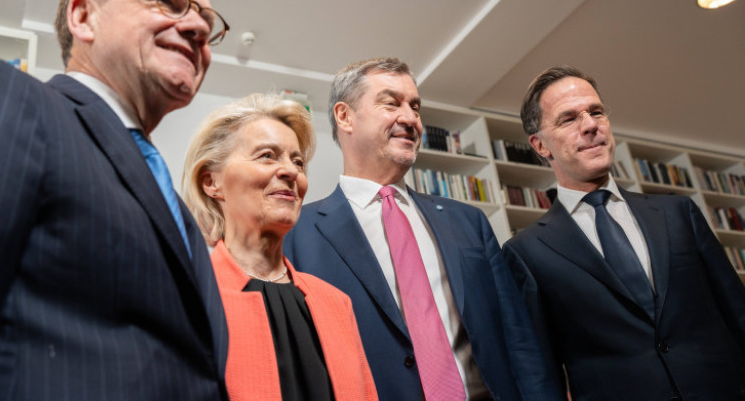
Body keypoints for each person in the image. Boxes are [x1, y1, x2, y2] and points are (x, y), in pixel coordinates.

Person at [0, 0, 230, 398]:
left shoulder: (180, 211)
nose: (197, 29)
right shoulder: (6, 96)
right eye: (166, 0)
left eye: (206, 22)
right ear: (83, 16)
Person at [283, 57, 561, 401]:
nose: (410, 118)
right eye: (391, 103)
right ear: (345, 116)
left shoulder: (468, 221)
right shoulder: (296, 233)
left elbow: (518, 336)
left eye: (415, 107)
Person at [502, 65, 745, 400]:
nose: (590, 125)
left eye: (596, 112)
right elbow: (538, 369)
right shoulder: (527, 252)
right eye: (569, 118)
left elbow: (737, 310)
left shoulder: (678, 213)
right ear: (540, 145)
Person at [182, 93, 378, 401]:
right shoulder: (184, 296)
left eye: (297, 161)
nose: (292, 172)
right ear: (211, 182)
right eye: (267, 156)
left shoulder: (337, 304)